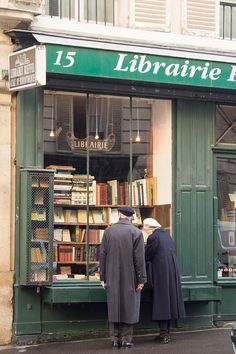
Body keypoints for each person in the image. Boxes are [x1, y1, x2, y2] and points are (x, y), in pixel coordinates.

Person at [99, 206, 146, 349]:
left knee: (114, 305)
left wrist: (103, 277)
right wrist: (141, 279)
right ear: (131, 217)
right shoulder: (136, 232)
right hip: (130, 276)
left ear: (119, 214)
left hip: (111, 275)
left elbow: (102, 255)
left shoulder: (108, 231)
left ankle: (114, 339)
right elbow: (139, 259)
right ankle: (126, 339)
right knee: (129, 306)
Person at [143, 218, 185, 344]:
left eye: (145, 229)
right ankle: (166, 333)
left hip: (160, 275)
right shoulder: (167, 237)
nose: (145, 231)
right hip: (171, 274)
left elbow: (147, 255)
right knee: (169, 304)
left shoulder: (153, 237)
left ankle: (163, 334)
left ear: (149, 227)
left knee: (161, 304)